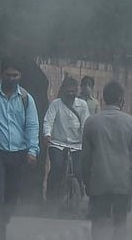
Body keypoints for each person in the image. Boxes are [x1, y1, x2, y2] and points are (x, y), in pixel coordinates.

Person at [81, 81, 132, 240]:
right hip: (123, 184)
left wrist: (86, 182)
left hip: (99, 182)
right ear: (121, 99)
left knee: (98, 224)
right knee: (120, 223)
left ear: (104, 98)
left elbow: (85, 158)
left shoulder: (91, 122)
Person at [0, 61, 40, 240]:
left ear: (20, 76)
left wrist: (32, 150)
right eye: (8, 75)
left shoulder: (26, 98)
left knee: (12, 194)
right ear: (1, 75)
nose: (11, 78)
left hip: (18, 153)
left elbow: (32, 125)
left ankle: (3, 220)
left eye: (15, 75)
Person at [43, 76, 90, 209]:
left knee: (78, 171)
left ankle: (79, 196)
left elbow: (86, 124)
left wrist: (86, 139)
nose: (70, 94)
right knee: (56, 167)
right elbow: (48, 120)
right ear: (63, 91)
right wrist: (47, 134)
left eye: (73, 91)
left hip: (77, 145)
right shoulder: (56, 104)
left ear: (77, 91)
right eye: (68, 91)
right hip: (57, 143)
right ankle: (51, 197)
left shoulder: (83, 105)